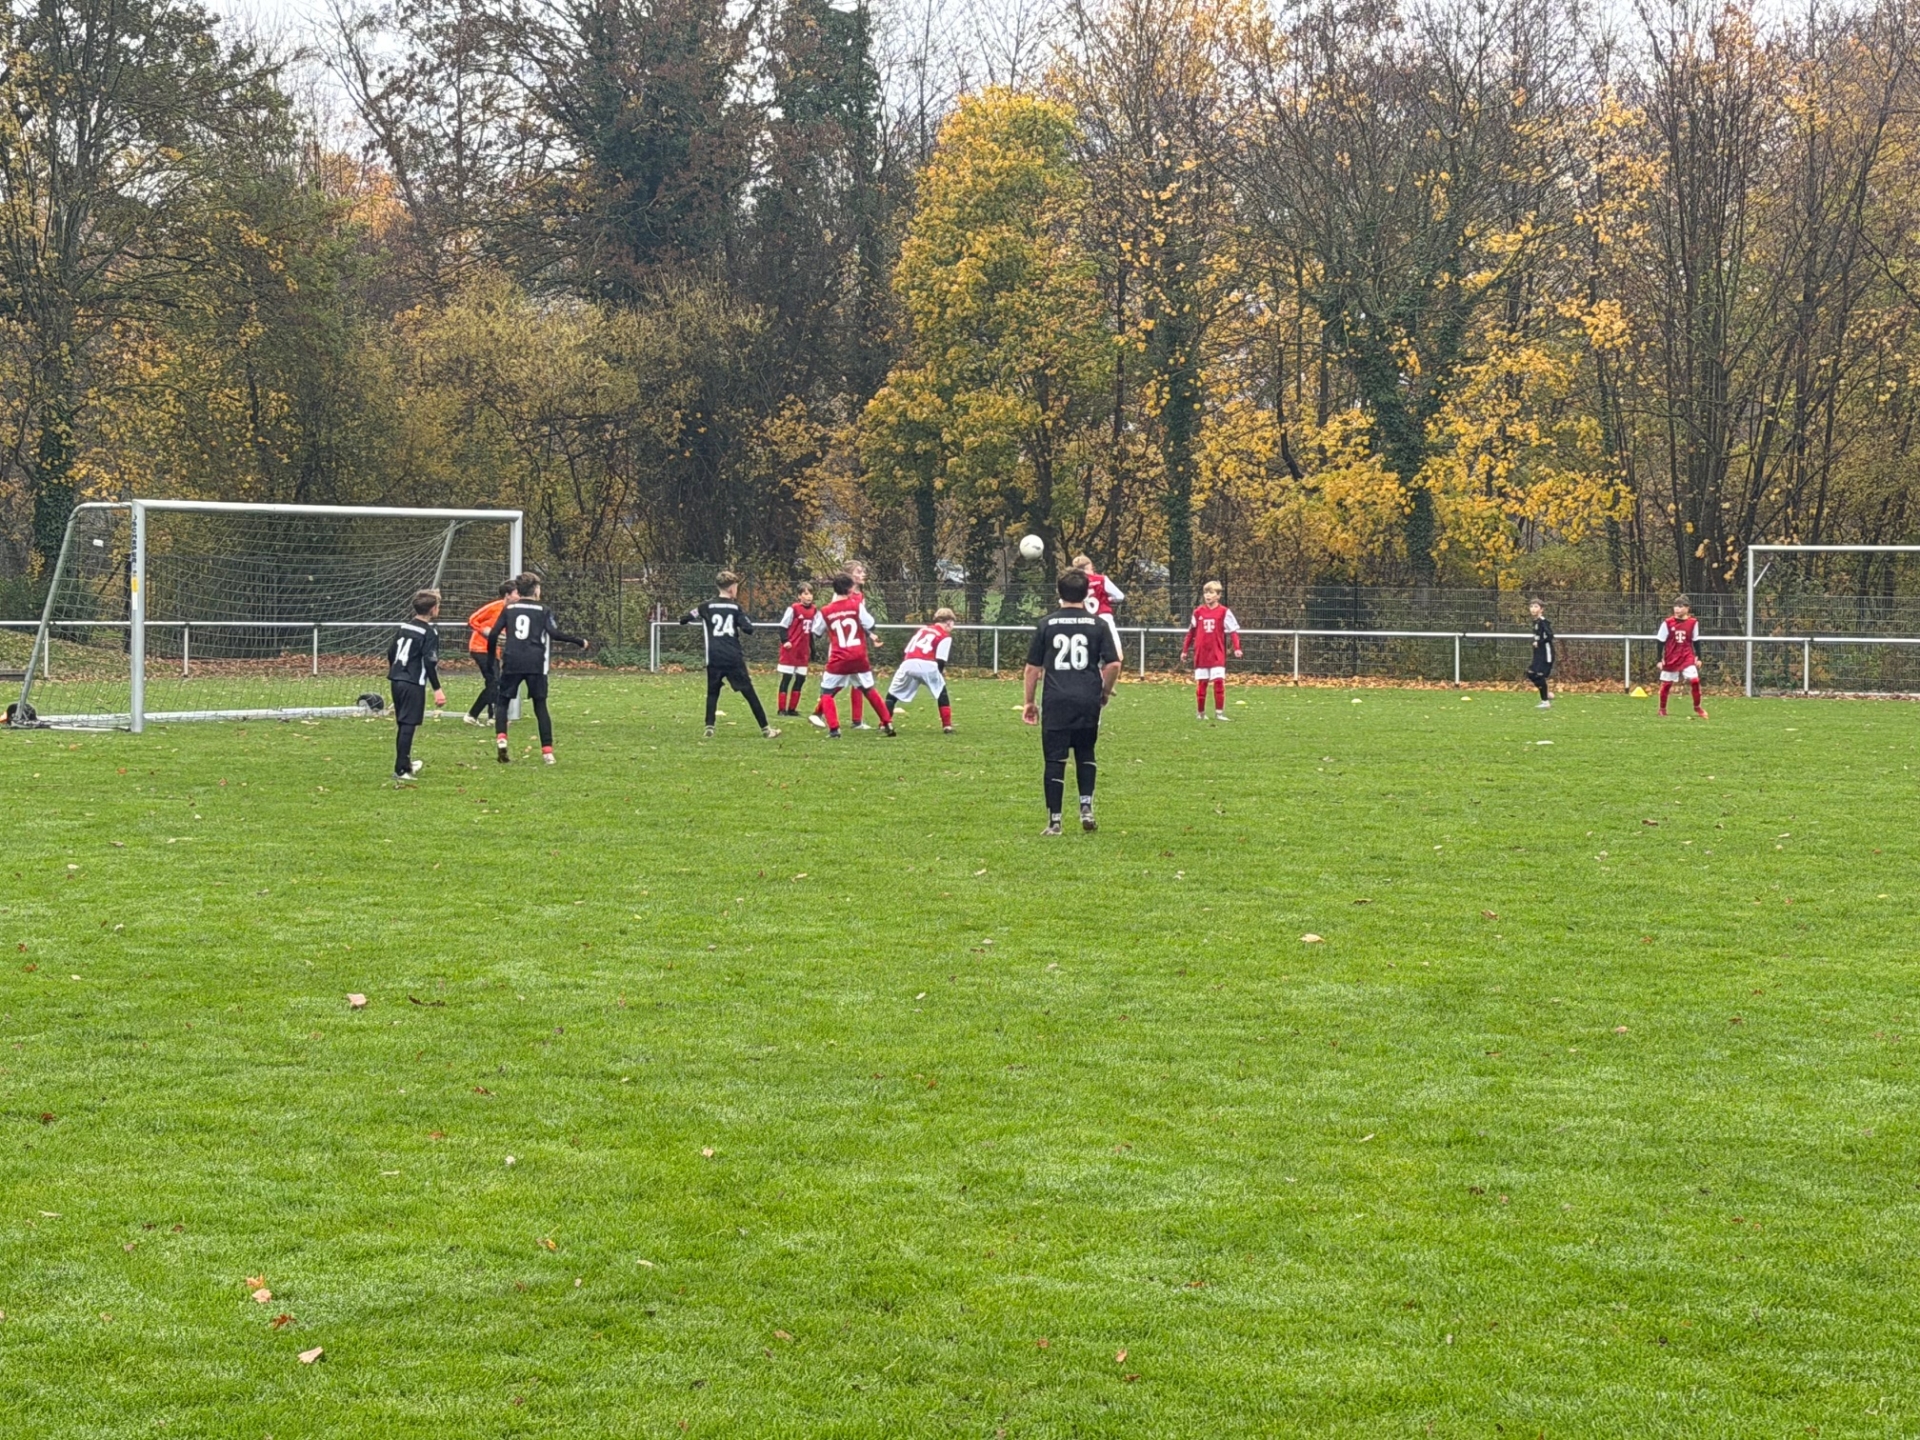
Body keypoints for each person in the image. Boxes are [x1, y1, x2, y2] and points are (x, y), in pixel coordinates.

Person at [1023, 571, 1121, 835]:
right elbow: (1113, 664)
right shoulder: (1098, 624)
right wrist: (1104, 691)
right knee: (1085, 753)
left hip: (1056, 700)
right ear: (1087, 593)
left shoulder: (1046, 624)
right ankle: (1086, 807)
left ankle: (1054, 821)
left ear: (1059, 592)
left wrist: (1029, 702)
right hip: (1087, 699)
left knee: (1054, 759)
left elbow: (1032, 668)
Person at [487, 572, 588, 764]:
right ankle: (547, 752)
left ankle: (501, 740)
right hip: (535, 662)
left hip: (512, 661)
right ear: (536, 590)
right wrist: (578, 641)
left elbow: (493, 634)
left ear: (519, 590)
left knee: (503, 702)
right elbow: (554, 633)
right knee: (540, 706)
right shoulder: (543, 610)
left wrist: (491, 658)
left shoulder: (509, 609)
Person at [680, 571, 779, 739]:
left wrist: (694, 618)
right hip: (733, 656)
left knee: (712, 692)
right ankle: (766, 729)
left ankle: (709, 727)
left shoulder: (706, 606)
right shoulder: (735, 608)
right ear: (732, 588)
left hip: (714, 656)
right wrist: (743, 621)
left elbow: (685, 618)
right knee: (749, 692)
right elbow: (748, 628)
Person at [808, 572, 894, 738]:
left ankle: (834, 729)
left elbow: (816, 631)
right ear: (850, 589)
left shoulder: (826, 610)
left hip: (839, 657)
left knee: (827, 693)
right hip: (858, 656)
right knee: (868, 689)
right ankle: (887, 722)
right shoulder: (856, 605)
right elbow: (870, 623)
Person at [387, 589, 446, 786]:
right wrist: (437, 689)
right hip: (412, 682)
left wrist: (396, 671)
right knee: (408, 725)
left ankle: (405, 763)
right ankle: (401, 770)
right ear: (433, 609)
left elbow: (391, 652)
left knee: (403, 723)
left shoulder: (405, 627)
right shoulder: (429, 632)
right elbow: (430, 662)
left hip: (396, 679)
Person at [886, 608, 957, 732]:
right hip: (927, 664)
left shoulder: (922, 630)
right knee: (942, 692)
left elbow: (907, 649)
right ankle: (947, 725)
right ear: (948, 622)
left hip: (908, 663)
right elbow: (941, 659)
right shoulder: (944, 636)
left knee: (892, 695)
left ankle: (884, 723)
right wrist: (937, 675)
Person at [1181, 580, 1242, 720]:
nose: (1207, 595)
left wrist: (1237, 648)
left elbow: (1233, 631)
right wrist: (1184, 650)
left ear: (1218, 595)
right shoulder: (1198, 612)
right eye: (1206, 592)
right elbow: (1191, 633)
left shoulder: (1224, 612)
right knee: (1202, 684)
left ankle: (1219, 713)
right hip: (1201, 653)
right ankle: (1201, 713)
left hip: (1217, 653)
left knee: (1219, 681)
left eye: (1211, 592)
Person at [463, 579, 517, 723]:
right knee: (495, 682)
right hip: (480, 648)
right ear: (507, 595)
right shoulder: (495, 607)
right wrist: (485, 631)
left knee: (493, 683)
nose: (519, 596)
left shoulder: (514, 611)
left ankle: (480, 716)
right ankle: (489, 716)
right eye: (516, 593)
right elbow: (472, 619)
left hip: (494, 650)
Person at [845, 561, 884, 729]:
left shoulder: (860, 596)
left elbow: (861, 620)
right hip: (845, 645)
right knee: (840, 682)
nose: (863, 574)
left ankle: (857, 720)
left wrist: (870, 634)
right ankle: (818, 713)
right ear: (849, 575)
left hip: (857, 643)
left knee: (856, 682)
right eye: (859, 571)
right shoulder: (842, 595)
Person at [1656, 595, 1707, 719]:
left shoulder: (1693, 623)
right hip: (1671, 657)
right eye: (1675, 606)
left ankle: (1697, 707)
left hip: (1687, 656)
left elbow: (1696, 641)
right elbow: (1660, 641)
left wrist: (1699, 657)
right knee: (1667, 684)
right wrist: (1659, 659)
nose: (1677, 609)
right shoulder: (1667, 623)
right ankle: (1662, 709)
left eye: (1680, 606)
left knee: (1695, 681)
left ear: (1687, 608)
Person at [1071, 553, 1127, 661]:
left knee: (1087, 651)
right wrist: (1108, 599)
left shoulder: (1074, 582)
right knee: (1114, 647)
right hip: (1103, 616)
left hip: (1084, 618)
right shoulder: (1101, 579)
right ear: (1088, 567)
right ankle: (1115, 662)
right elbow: (1120, 596)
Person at [775, 581, 817, 717]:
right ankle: (781, 709)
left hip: (802, 652)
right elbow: (783, 626)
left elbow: (811, 632)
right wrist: (785, 641)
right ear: (799, 596)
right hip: (791, 649)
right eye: (805, 593)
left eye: (810, 593)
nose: (809, 596)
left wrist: (813, 649)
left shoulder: (814, 610)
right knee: (786, 678)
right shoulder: (793, 608)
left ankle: (792, 709)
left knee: (800, 679)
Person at [1527, 598, 1555, 708]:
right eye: (1531, 606)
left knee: (1539, 675)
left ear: (1541, 609)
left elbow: (1550, 636)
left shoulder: (1543, 622)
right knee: (1530, 673)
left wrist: (1539, 642)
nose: (1533, 609)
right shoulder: (1536, 622)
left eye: (1536, 607)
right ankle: (1546, 693)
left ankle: (1545, 702)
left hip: (1546, 654)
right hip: (1538, 653)